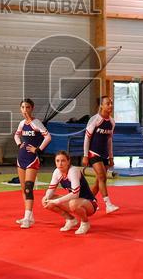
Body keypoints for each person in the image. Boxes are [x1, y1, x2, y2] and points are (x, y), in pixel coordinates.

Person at [14, 99, 51, 229]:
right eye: (23, 107)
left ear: (32, 108)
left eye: (27, 107)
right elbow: (16, 135)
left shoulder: (36, 123)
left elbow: (48, 137)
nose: (25, 110)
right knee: (23, 188)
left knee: (29, 188)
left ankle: (27, 217)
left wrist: (38, 149)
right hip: (21, 158)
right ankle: (29, 216)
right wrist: (19, 144)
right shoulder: (21, 123)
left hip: (32, 159)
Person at [42, 151, 97, 235]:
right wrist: (47, 198)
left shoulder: (73, 171)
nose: (60, 163)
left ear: (68, 161)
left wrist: (57, 201)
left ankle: (85, 223)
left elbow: (75, 194)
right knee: (45, 200)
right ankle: (70, 219)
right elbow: (51, 189)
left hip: (89, 204)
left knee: (73, 203)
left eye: (63, 161)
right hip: (74, 201)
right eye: (57, 161)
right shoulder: (57, 172)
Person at [82, 96, 120, 214]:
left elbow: (109, 141)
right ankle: (108, 204)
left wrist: (111, 157)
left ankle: (87, 201)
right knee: (102, 177)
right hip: (93, 153)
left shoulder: (112, 122)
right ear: (101, 106)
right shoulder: (95, 119)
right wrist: (85, 155)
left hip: (104, 155)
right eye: (107, 104)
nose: (110, 106)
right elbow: (87, 138)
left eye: (111, 103)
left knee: (99, 181)